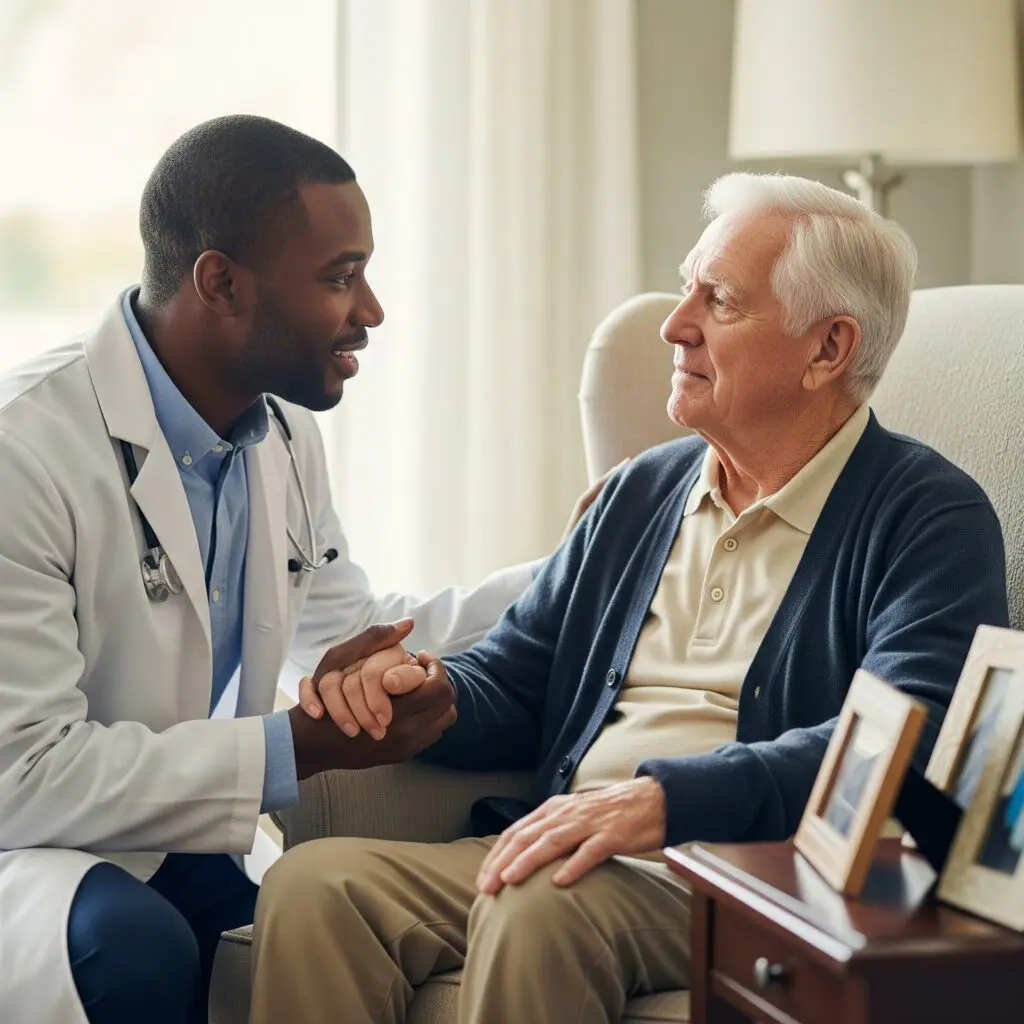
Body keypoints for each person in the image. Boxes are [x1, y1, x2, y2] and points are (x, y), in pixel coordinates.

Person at [250, 173, 1010, 1024]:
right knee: (314, 890)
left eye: (718, 300)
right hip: (569, 843)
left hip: (745, 877)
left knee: (541, 906)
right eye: (688, 287)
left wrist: (664, 799)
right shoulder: (643, 492)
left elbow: (913, 734)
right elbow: (521, 675)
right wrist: (433, 690)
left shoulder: (926, 515)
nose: (673, 324)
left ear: (828, 349)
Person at [0, 115, 605, 1024]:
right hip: (30, 850)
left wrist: (578, 567)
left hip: (160, 841)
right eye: (340, 277)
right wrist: (299, 748)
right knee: (131, 951)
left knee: (304, 940)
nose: (372, 310)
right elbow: (25, 776)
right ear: (221, 283)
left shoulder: (279, 434)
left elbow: (351, 624)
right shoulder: (26, 449)